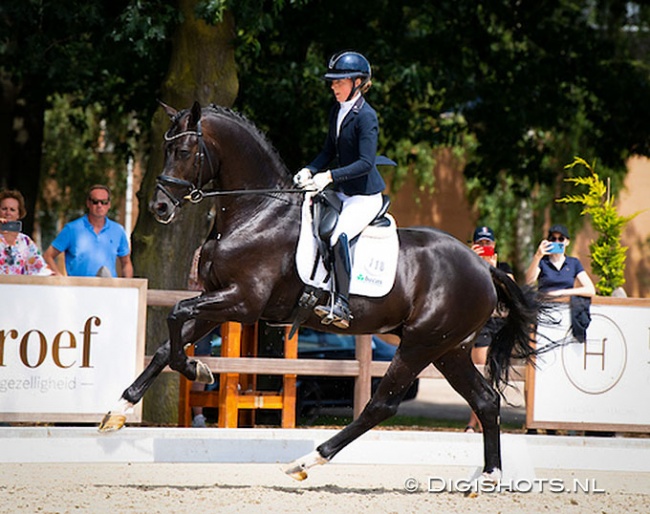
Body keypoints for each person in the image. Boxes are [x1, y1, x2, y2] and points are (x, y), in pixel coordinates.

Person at [293, 50, 386, 329]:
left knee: (337, 236)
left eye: (339, 82)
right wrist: (310, 169)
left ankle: (342, 303)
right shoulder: (337, 110)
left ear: (358, 82)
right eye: (332, 82)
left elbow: (366, 163)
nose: (333, 87)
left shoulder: (366, 117)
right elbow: (328, 150)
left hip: (364, 196)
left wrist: (329, 176)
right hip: (343, 191)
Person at [465, 226, 514, 433]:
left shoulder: (504, 267)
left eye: (488, 243)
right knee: (480, 374)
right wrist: (474, 262)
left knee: (493, 374)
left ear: (494, 245)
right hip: (480, 322)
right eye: (480, 243)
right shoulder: (466, 265)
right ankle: (478, 422)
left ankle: (481, 422)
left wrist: (494, 270)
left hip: (499, 324)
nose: (484, 246)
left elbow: (511, 291)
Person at [44, 185, 133, 278]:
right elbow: (48, 256)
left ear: (109, 205)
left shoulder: (118, 230)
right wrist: (59, 278)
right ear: (88, 203)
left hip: (108, 289)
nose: (99, 205)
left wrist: (128, 287)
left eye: (104, 202)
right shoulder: (71, 229)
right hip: (77, 289)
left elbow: (126, 263)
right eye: (95, 202)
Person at [524, 224, 595, 298]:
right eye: (553, 239)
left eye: (561, 239)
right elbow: (529, 283)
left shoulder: (573, 263)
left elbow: (590, 290)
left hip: (566, 305)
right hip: (546, 305)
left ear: (567, 242)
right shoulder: (542, 262)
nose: (557, 242)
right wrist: (537, 256)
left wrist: (561, 292)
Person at [0, 189, 53, 275]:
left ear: (18, 214)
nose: (8, 213)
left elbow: (39, 267)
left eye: (12, 210)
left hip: (18, 287)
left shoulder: (25, 241)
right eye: (4, 209)